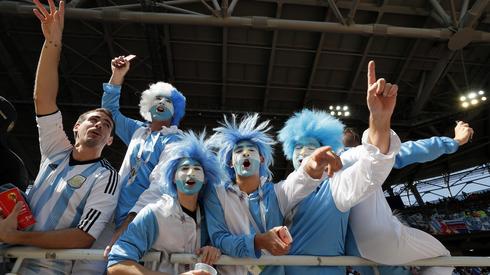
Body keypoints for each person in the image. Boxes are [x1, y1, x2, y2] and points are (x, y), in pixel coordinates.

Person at [0, 1, 119, 274]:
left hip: (48, 269)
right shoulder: (56, 149)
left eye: (107, 125)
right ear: (76, 126)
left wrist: (15, 237)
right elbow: (42, 98)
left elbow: (82, 237)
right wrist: (52, 42)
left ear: (110, 140)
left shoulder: (106, 177)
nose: (99, 125)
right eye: (93, 119)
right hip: (11, 263)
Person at [276, 60, 401, 275]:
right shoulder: (278, 190)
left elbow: (372, 171)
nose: (304, 153)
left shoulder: (336, 186)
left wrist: (380, 121)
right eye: (298, 147)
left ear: (328, 151)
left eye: (312, 147)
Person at [204, 113, 344, 275]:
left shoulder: (277, 192)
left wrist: (312, 167)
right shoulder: (217, 194)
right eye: (239, 151)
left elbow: (299, 181)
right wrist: (259, 241)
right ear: (230, 162)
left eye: (251, 150)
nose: (245, 153)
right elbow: (219, 239)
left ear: (262, 159)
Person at [342, 120, 474, 275]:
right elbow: (409, 151)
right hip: (379, 236)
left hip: (347, 248)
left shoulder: (314, 165)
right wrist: (454, 141)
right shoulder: (358, 154)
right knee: (442, 256)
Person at [99, 54, 186, 258]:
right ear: (148, 106)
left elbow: (160, 185)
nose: (162, 102)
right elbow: (109, 112)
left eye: (169, 101)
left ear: (176, 112)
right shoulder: (137, 131)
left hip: (142, 222)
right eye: (158, 98)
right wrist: (117, 75)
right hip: (110, 216)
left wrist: (129, 224)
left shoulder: (176, 141)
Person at [107, 131, 222, 275]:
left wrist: (212, 248)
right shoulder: (155, 212)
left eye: (197, 169)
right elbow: (116, 264)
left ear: (205, 179)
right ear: (173, 177)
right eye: (184, 168)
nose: (191, 173)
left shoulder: (211, 215)